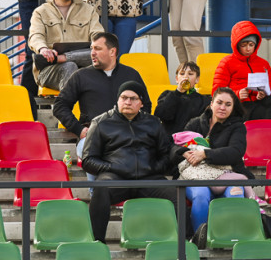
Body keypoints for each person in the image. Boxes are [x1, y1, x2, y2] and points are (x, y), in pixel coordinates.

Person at [81, 81, 179, 241]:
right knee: (101, 188)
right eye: (124, 97)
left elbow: (166, 154)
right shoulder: (100, 123)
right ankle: (96, 242)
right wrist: (113, 167)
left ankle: (185, 241)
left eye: (133, 98)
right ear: (118, 99)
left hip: (148, 178)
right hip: (116, 178)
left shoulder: (153, 123)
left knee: (176, 193)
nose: (127, 102)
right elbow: (88, 160)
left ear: (141, 103)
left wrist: (154, 168)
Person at [53, 32, 151, 161]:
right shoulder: (81, 76)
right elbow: (60, 106)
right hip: (93, 138)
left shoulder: (131, 75)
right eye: (91, 48)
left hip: (127, 137)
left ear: (112, 52)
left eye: (97, 49)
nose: (92, 53)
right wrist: (79, 129)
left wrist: (135, 128)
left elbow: (146, 105)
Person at [176, 87, 250, 232]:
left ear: (233, 108)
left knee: (235, 193)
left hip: (227, 175)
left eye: (228, 104)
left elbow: (235, 152)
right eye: (219, 102)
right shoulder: (195, 123)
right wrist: (184, 153)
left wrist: (205, 154)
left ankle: (229, 237)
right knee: (201, 194)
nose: (223, 107)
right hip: (196, 176)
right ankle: (199, 237)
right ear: (211, 104)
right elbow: (175, 145)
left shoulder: (238, 127)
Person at [28, 0, 104, 91]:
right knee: (70, 66)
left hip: (84, 66)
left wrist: (100, 45)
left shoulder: (89, 10)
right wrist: (43, 49)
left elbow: (98, 35)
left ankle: (61, 59)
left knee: (102, 53)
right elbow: (36, 36)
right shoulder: (41, 12)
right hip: (50, 68)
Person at [211, 20, 271, 120]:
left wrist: (263, 93)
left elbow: (269, 85)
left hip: (260, 102)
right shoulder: (227, 62)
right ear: (237, 45)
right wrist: (236, 94)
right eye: (244, 45)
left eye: (251, 45)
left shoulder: (263, 63)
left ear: (256, 45)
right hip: (239, 103)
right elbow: (217, 91)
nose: (248, 49)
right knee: (261, 113)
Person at [154, 61, 209, 137]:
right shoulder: (167, 95)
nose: (186, 77)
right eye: (182, 74)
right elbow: (161, 115)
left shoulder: (204, 100)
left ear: (197, 79)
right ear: (177, 79)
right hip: (169, 140)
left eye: (190, 74)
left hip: (191, 140)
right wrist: (178, 92)